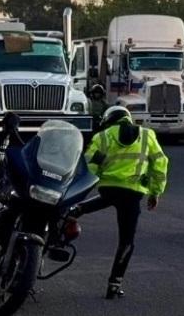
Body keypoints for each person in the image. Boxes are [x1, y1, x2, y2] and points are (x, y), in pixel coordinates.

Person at [77, 105, 168, 299]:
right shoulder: (147, 135)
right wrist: (155, 192)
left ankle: (71, 213)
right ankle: (114, 285)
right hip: (132, 193)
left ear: (109, 120)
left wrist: (87, 184)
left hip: (108, 189)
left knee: (98, 202)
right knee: (126, 241)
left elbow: (89, 162)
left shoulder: (103, 136)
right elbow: (160, 163)